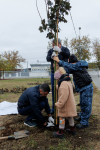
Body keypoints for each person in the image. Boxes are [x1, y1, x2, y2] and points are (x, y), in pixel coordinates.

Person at [53, 54, 93, 129]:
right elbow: (66, 70)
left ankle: (84, 123)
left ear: (72, 62)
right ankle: (82, 117)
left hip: (87, 87)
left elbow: (70, 66)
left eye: (69, 63)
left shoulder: (79, 64)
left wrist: (59, 61)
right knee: (82, 103)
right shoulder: (74, 67)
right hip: (82, 88)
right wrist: (58, 66)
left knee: (86, 105)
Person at [46, 38, 70, 113]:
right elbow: (47, 58)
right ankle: (54, 108)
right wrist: (51, 57)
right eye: (52, 45)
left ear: (59, 44)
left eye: (55, 45)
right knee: (54, 90)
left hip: (63, 73)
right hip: (54, 73)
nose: (53, 46)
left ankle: (65, 108)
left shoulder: (65, 49)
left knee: (64, 90)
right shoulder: (51, 50)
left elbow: (68, 55)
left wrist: (60, 51)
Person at [53, 67, 77, 138]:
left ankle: (60, 132)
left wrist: (58, 104)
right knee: (70, 116)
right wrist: (58, 87)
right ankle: (72, 129)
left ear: (59, 78)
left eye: (57, 79)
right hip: (70, 104)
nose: (57, 80)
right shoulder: (68, 81)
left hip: (65, 105)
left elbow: (63, 96)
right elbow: (65, 89)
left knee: (62, 118)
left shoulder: (63, 84)